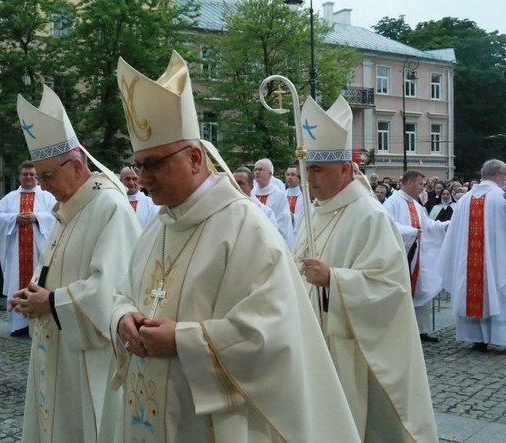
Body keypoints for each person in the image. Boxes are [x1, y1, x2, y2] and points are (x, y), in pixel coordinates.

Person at [111, 51, 359, 442]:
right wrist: (122, 317)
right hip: (149, 409)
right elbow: (124, 291)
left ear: (194, 158)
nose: (141, 178)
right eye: (138, 165)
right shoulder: (159, 224)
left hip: (210, 423)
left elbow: (272, 335)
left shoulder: (246, 227)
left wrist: (182, 339)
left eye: (153, 164)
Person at [293, 95, 437, 441]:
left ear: (345, 169)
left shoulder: (369, 215)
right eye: (306, 168)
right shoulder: (314, 212)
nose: (308, 178)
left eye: (317, 169)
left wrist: (333, 279)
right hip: (311, 339)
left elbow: (390, 289)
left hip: (350, 349)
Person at [9, 85, 140, 442]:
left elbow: (112, 290)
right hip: (56, 346)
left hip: (86, 357)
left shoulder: (109, 207)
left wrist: (49, 302)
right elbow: (52, 268)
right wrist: (32, 293)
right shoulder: (70, 208)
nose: (44, 185)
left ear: (77, 165)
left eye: (48, 175)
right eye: (39, 175)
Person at [439, 159, 506, 354]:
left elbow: (454, 234)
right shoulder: (503, 197)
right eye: (504, 174)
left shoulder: (464, 199)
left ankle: (478, 339)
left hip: (471, 264)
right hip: (500, 260)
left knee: (475, 292)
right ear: (498, 174)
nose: (505, 178)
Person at [0, 161, 56, 336]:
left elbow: (57, 214)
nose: (28, 177)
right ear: (19, 176)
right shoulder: (10, 197)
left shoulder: (48, 197)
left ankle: (39, 325)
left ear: (37, 176)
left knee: (40, 282)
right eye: (25, 174)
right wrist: (14, 219)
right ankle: (19, 325)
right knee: (16, 283)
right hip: (16, 254)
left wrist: (37, 217)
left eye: (32, 174)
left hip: (39, 251)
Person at [383, 169, 448, 342]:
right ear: (410, 183)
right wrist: (411, 232)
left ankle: (421, 330)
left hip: (418, 254)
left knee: (420, 288)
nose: (422, 188)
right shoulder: (392, 202)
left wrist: (443, 227)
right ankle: (401, 330)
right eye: (420, 184)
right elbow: (386, 225)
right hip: (402, 255)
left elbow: (427, 225)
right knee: (403, 291)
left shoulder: (416, 204)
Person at [251, 158, 294, 249]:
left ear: (270, 174)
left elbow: (283, 221)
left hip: (271, 241)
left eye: (260, 169)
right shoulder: (251, 193)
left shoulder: (279, 195)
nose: (257, 172)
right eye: (255, 170)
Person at [285, 165, 304, 237]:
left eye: (293, 175)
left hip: (298, 233)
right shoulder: (282, 194)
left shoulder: (304, 196)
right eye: (287, 175)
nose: (289, 177)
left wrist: (293, 216)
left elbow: (305, 216)